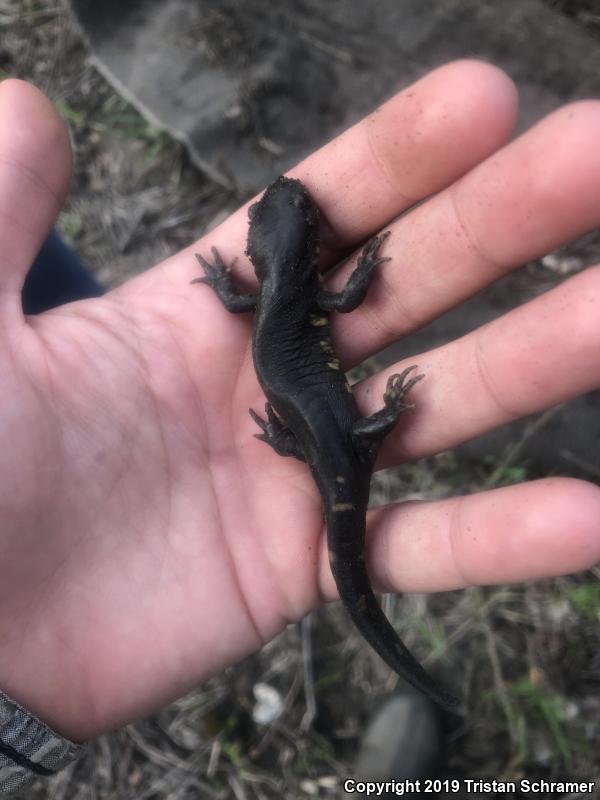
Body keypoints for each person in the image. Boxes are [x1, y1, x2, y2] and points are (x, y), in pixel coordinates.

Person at [1, 59, 600, 790]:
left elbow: (279, 303)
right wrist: (390, 411)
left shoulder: (277, 291)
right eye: (279, 217)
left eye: (274, 221)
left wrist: (229, 286)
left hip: (320, 432)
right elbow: (347, 304)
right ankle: (335, 459)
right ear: (293, 253)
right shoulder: (301, 289)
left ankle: (314, 453)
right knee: (344, 461)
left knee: (337, 463)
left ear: (259, 262)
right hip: (333, 437)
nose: (280, 206)